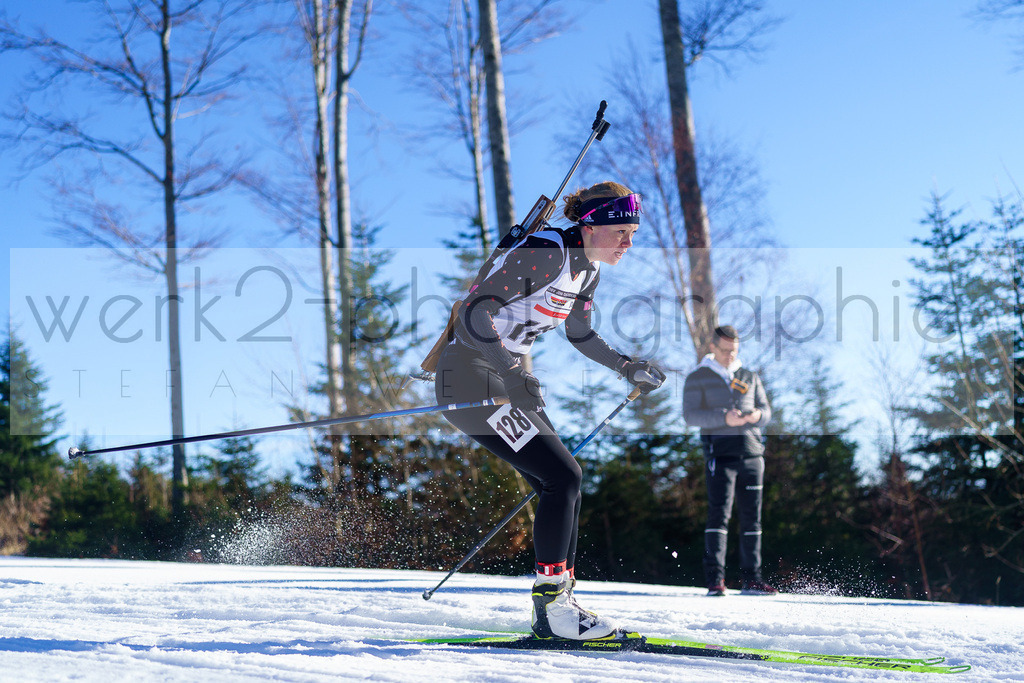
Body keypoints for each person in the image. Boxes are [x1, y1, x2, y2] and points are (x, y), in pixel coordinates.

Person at [434, 181, 665, 640]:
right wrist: (511, 371)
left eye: (633, 233)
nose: (628, 243)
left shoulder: (587, 271)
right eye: (621, 231)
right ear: (591, 225)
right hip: (469, 376)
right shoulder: (546, 252)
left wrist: (626, 366)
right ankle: (555, 611)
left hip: (500, 378)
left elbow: (580, 333)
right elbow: (475, 313)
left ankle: (557, 607)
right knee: (563, 476)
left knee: (560, 479)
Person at [682, 325, 776, 596]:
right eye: (724, 350)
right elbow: (690, 415)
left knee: (752, 518)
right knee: (719, 515)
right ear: (713, 347)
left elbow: (767, 411)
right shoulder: (698, 377)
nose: (729, 355)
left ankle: (752, 579)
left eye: (733, 350)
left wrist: (757, 416)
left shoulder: (749, 375)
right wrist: (724, 418)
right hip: (719, 454)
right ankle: (715, 580)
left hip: (752, 453)